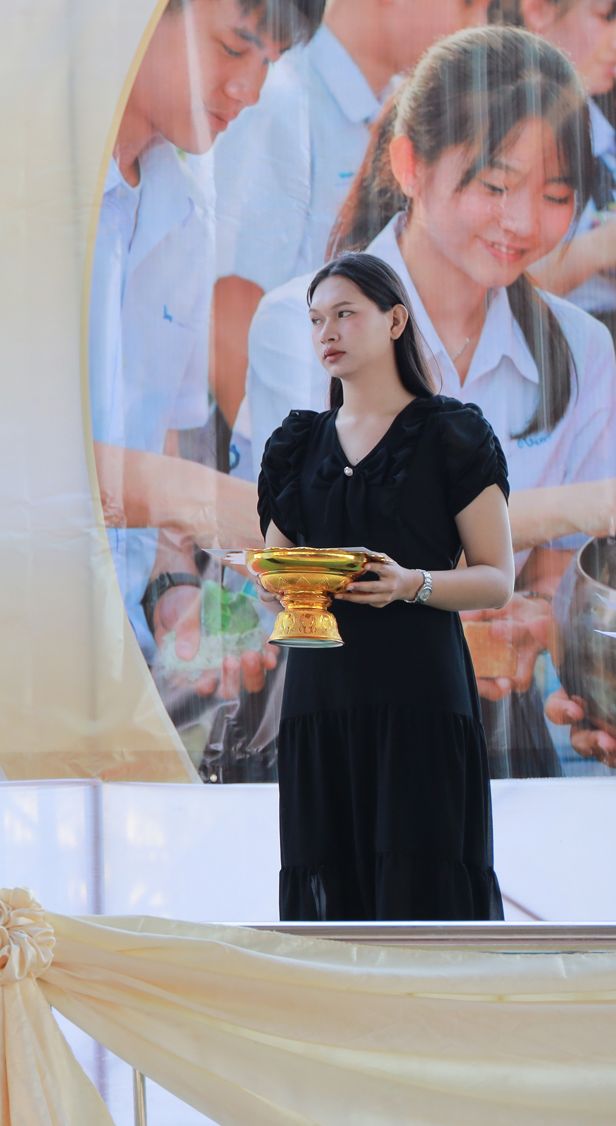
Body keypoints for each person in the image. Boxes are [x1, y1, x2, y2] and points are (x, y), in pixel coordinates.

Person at [244, 26, 616, 777]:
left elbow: (561, 570)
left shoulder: (581, 350)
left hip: (498, 735)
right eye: (496, 186)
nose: (524, 222)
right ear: (410, 164)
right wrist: (572, 508)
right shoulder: (302, 325)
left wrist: (531, 619)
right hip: (339, 713)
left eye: (555, 195)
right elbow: (319, 554)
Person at [90, 0, 323, 772]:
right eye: (234, 46)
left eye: (271, 62)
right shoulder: (20, 203)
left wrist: (174, 593)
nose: (247, 90)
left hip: (116, 670)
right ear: (146, 10)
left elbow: (154, 453)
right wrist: (240, 515)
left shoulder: (186, 220)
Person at [257, 251, 514, 920]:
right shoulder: (296, 443)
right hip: (320, 696)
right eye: (317, 319)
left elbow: (497, 578)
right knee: (328, 889)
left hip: (420, 695)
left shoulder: (453, 433)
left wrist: (411, 584)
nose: (327, 333)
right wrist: (272, 580)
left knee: (423, 890)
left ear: (395, 320)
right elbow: (276, 570)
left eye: (345, 314)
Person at [213, 0, 511, 451]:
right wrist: (291, 467)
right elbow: (234, 311)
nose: (479, 24)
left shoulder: (401, 109)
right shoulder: (281, 101)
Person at [506, 0, 616, 339]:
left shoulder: (599, 127)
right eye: (608, 14)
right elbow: (485, 290)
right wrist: (597, 249)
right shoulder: (501, 128)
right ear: (538, 8)